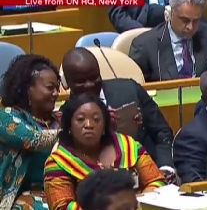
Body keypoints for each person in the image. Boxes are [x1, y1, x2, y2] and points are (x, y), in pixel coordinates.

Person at [60, 48, 175, 182]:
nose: (90, 85)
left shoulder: (130, 90)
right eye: (81, 81)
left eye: (95, 77)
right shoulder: (66, 115)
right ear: (66, 83)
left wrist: (165, 168)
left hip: (151, 175)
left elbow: (162, 132)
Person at [44, 93, 165, 209]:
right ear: (69, 127)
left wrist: (137, 204)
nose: (89, 125)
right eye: (80, 120)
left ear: (104, 126)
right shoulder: (58, 162)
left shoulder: (128, 146)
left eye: (96, 120)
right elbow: (62, 207)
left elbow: (156, 181)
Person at [0, 54, 60, 209]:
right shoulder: (7, 116)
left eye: (57, 88)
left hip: (62, 188)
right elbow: (33, 139)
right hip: (22, 195)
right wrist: (71, 132)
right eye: (50, 88)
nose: (56, 93)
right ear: (28, 89)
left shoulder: (59, 120)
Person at [129, 0, 207, 82]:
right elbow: (137, 89)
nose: (190, 27)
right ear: (170, 13)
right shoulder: (144, 45)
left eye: (196, 21)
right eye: (185, 20)